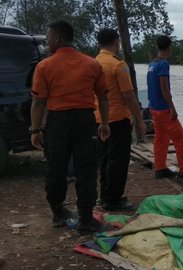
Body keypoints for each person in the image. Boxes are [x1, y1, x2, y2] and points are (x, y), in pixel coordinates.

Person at [30, 20, 110, 234]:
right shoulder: (92, 64)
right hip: (85, 121)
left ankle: (58, 212)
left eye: (48, 38)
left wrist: (35, 130)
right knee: (86, 169)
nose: (47, 41)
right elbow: (102, 98)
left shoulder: (45, 66)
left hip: (58, 122)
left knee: (56, 167)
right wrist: (103, 123)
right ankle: (86, 219)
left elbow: (38, 102)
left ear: (57, 38)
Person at [95, 28, 146, 211]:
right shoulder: (118, 65)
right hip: (117, 119)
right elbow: (129, 96)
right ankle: (113, 199)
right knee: (118, 161)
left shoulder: (94, 62)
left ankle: (105, 196)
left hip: (99, 119)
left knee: (105, 159)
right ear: (116, 42)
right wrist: (140, 121)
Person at [146, 35, 183, 180]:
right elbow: (164, 88)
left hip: (153, 107)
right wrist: (172, 108)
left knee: (160, 139)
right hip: (163, 109)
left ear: (157, 47)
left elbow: (152, 87)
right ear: (169, 48)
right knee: (181, 140)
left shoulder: (151, 64)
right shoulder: (163, 64)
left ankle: (160, 168)